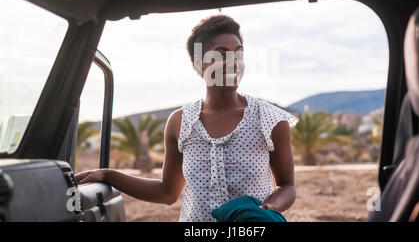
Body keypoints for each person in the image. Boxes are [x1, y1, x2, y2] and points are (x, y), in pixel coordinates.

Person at [75, 15, 299, 222]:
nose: (233, 63)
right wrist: (109, 175)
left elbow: (286, 186)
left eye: (238, 54)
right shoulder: (180, 122)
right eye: (220, 54)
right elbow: (167, 192)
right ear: (198, 64)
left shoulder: (269, 119)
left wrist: (264, 210)